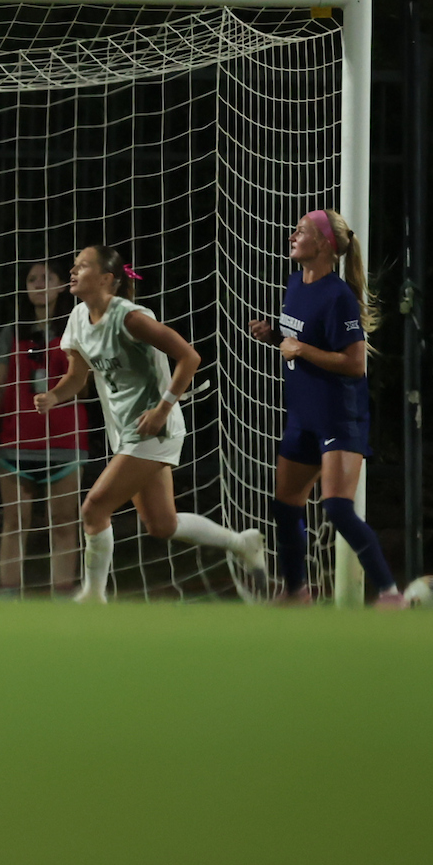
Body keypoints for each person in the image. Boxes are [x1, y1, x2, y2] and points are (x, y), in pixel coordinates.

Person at [38, 245, 268, 603]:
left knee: (94, 508)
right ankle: (241, 543)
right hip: (127, 432)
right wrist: (54, 396)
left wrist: (163, 408)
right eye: (74, 265)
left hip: (156, 429)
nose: (73, 271)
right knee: (163, 525)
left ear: (106, 279)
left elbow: (189, 357)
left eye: (82, 266)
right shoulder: (78, 319)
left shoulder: (129, 318)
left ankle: (93, 597)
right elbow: (76, 377)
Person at [248, 208, 400, 607]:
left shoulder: (339, 296)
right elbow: (297, 341)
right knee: (285, 505)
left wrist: (301, 348)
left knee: (336, 508)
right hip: (303, 415)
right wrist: (273, 336)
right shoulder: (296, 282)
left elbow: (353, 363)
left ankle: (389, 594)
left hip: (338, 415)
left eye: (299, 231)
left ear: (323, 245)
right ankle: (297, 592)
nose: (291, 236)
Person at [0, 259, 89, 595]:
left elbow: (86, 383)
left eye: (46, 278)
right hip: (16, 441)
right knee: (14, 523)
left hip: (65, 439)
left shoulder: (76, 328)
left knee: (64, 525)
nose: (38, 284)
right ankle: (8, 596)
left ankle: (64, 596)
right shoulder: (13, 332)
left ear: (62, 286)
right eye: (32, 279)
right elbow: (0, 386)